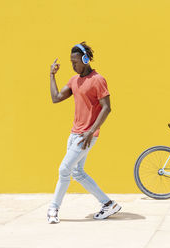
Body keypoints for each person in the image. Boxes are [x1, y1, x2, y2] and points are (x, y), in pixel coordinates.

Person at [48, 42, 121, 224]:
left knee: (64, 169)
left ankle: (53, 209)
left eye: (75, 61)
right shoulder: (74, 80)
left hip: (86, 136)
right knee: (77, 173)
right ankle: (108, 203)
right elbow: (56, 98)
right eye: (71, 62)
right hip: (74, 134)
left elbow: (107, 108)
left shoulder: (98, 79)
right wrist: (51, 75)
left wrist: (91, 130)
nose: (73, 65)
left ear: (85, 59)